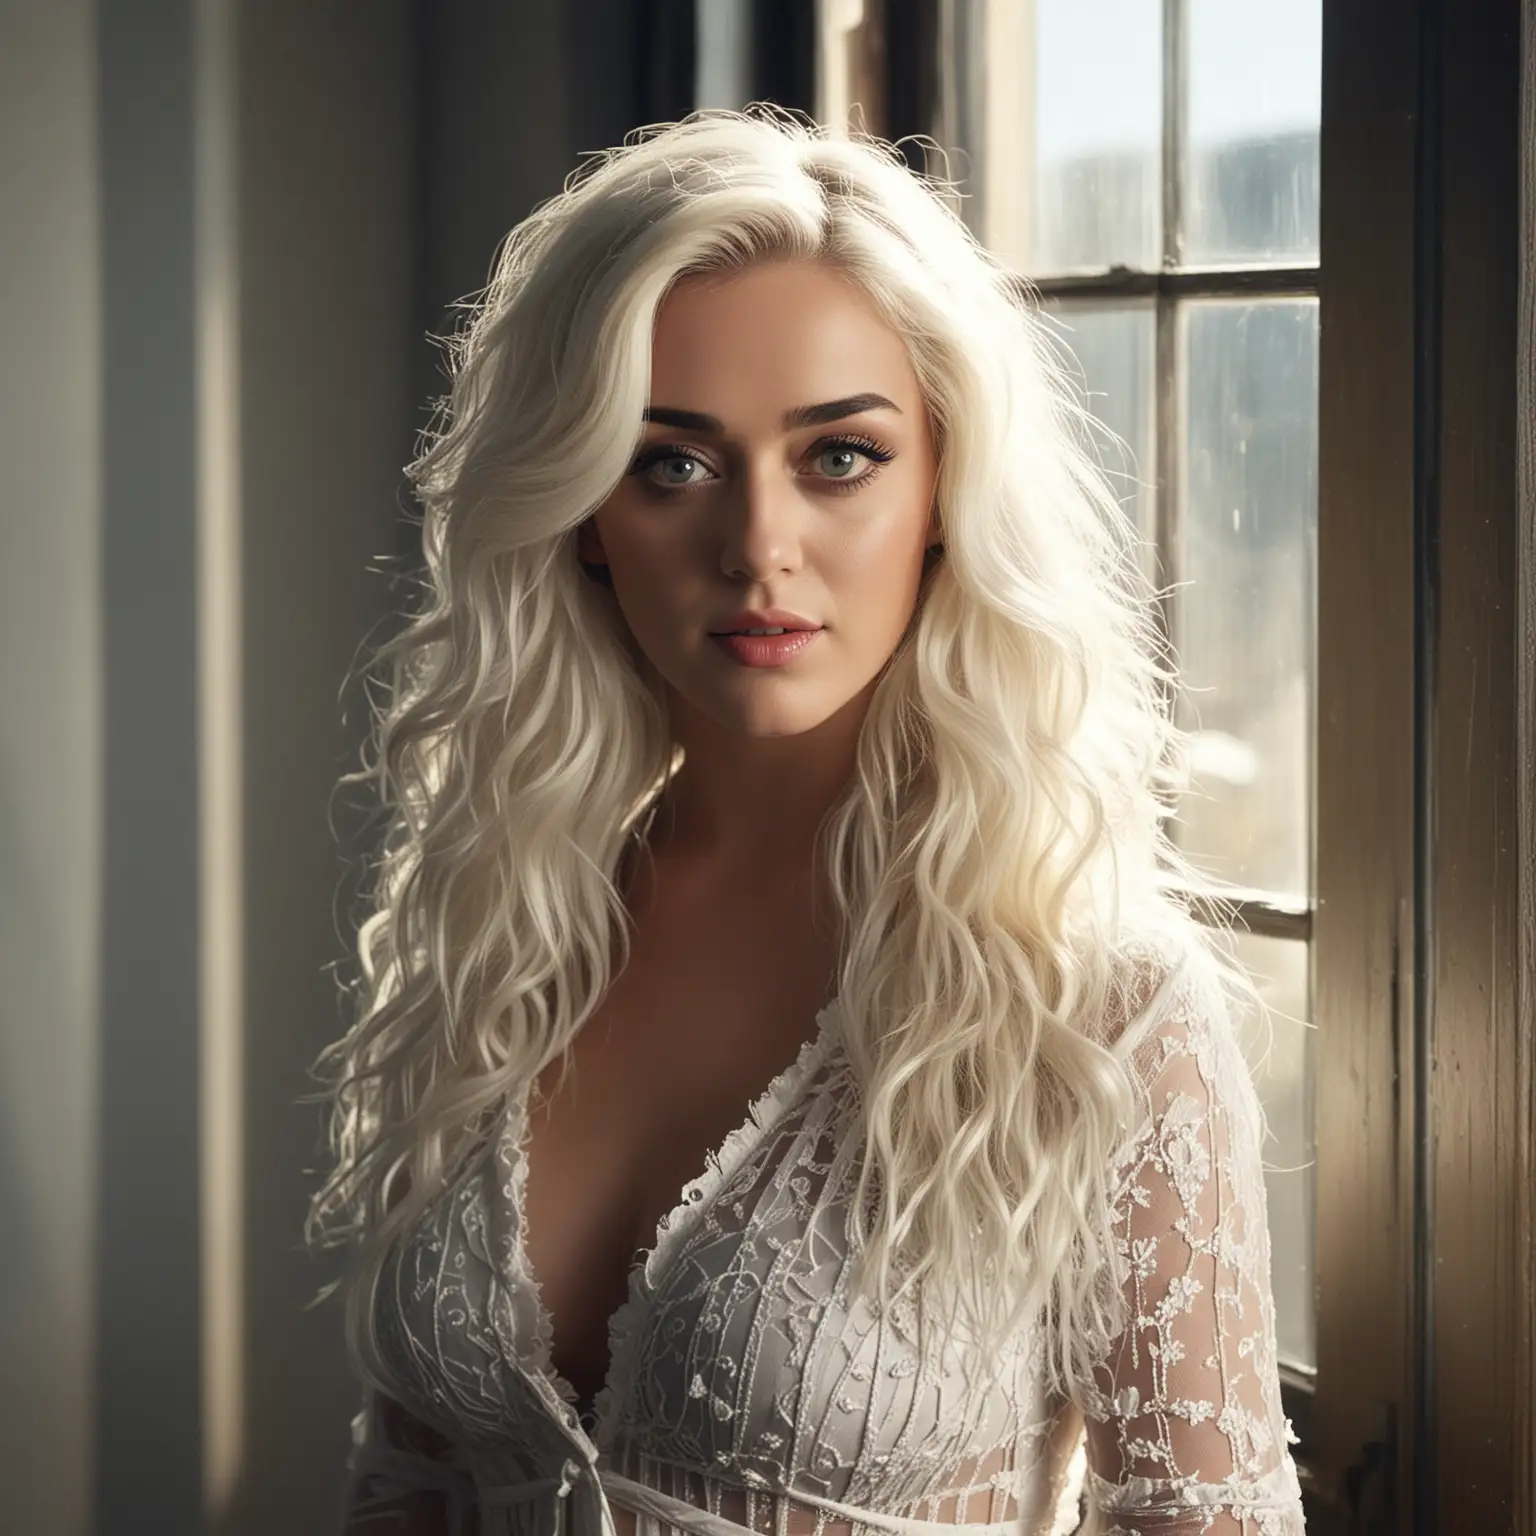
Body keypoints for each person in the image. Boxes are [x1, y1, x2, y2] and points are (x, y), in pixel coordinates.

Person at [305, 106, 1306, 1536]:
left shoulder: (1101, 1007)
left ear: (945, 491)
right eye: (672, 462)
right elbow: (407, 1483)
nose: (758, 546)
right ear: (586, 508)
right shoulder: (505, 924)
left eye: (839, 457)